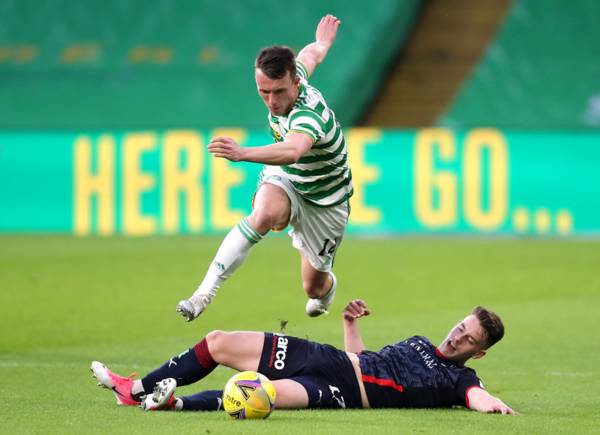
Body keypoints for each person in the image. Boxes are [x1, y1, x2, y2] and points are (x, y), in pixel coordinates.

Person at [176, 14, 353, 321]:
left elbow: (294, 150)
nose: (271, 101)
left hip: (326, 199)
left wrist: (243, 153)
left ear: (295, 83)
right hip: (288, 179)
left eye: (279, 92)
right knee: (264, 214)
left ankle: (326, 291)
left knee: (313, 286)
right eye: (264, 91)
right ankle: (201, 295)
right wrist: (323, 41)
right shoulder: (294, 73)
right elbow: (312, 55)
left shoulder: (307, 114)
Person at [91, 299, 517, 414]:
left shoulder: (462, 381)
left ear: (477, 352)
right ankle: (135, 389)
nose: (456, 336)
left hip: (338, 392)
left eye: (467, 339)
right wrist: (351, 324)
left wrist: (492, 404)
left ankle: (170, 404)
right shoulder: (421, 342)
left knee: (257, 395)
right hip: (326, 357)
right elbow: (364, 358)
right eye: (460, 326)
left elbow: (478, 397)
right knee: (219, 341)